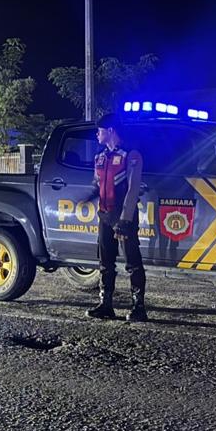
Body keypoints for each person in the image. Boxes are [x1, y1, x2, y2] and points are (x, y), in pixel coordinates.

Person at [86, 113, 147, 322]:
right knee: (105, 262)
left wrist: (125, 220)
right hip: (105, 216)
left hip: (123, 217)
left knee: (132, 262)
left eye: (100, 130)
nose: (97, 134)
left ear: (111, 131)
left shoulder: (131, 155)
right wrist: (88, 196)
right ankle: (106, 305)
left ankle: (139, 307)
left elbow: (133, 189)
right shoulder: (100, 157)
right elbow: (97, 184)